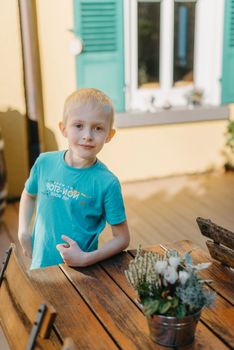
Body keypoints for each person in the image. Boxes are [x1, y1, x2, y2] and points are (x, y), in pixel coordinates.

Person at [18, 88, 130, 269]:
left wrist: (86, 258)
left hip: (80, 272)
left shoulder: (107, 183)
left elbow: (122, 238)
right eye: (79, 126)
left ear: (109, 135)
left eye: (98, 128)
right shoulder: (44, 162)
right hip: (40, 267)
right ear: (63, 128)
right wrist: (23, 232)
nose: (87, 135)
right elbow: (29, 194)